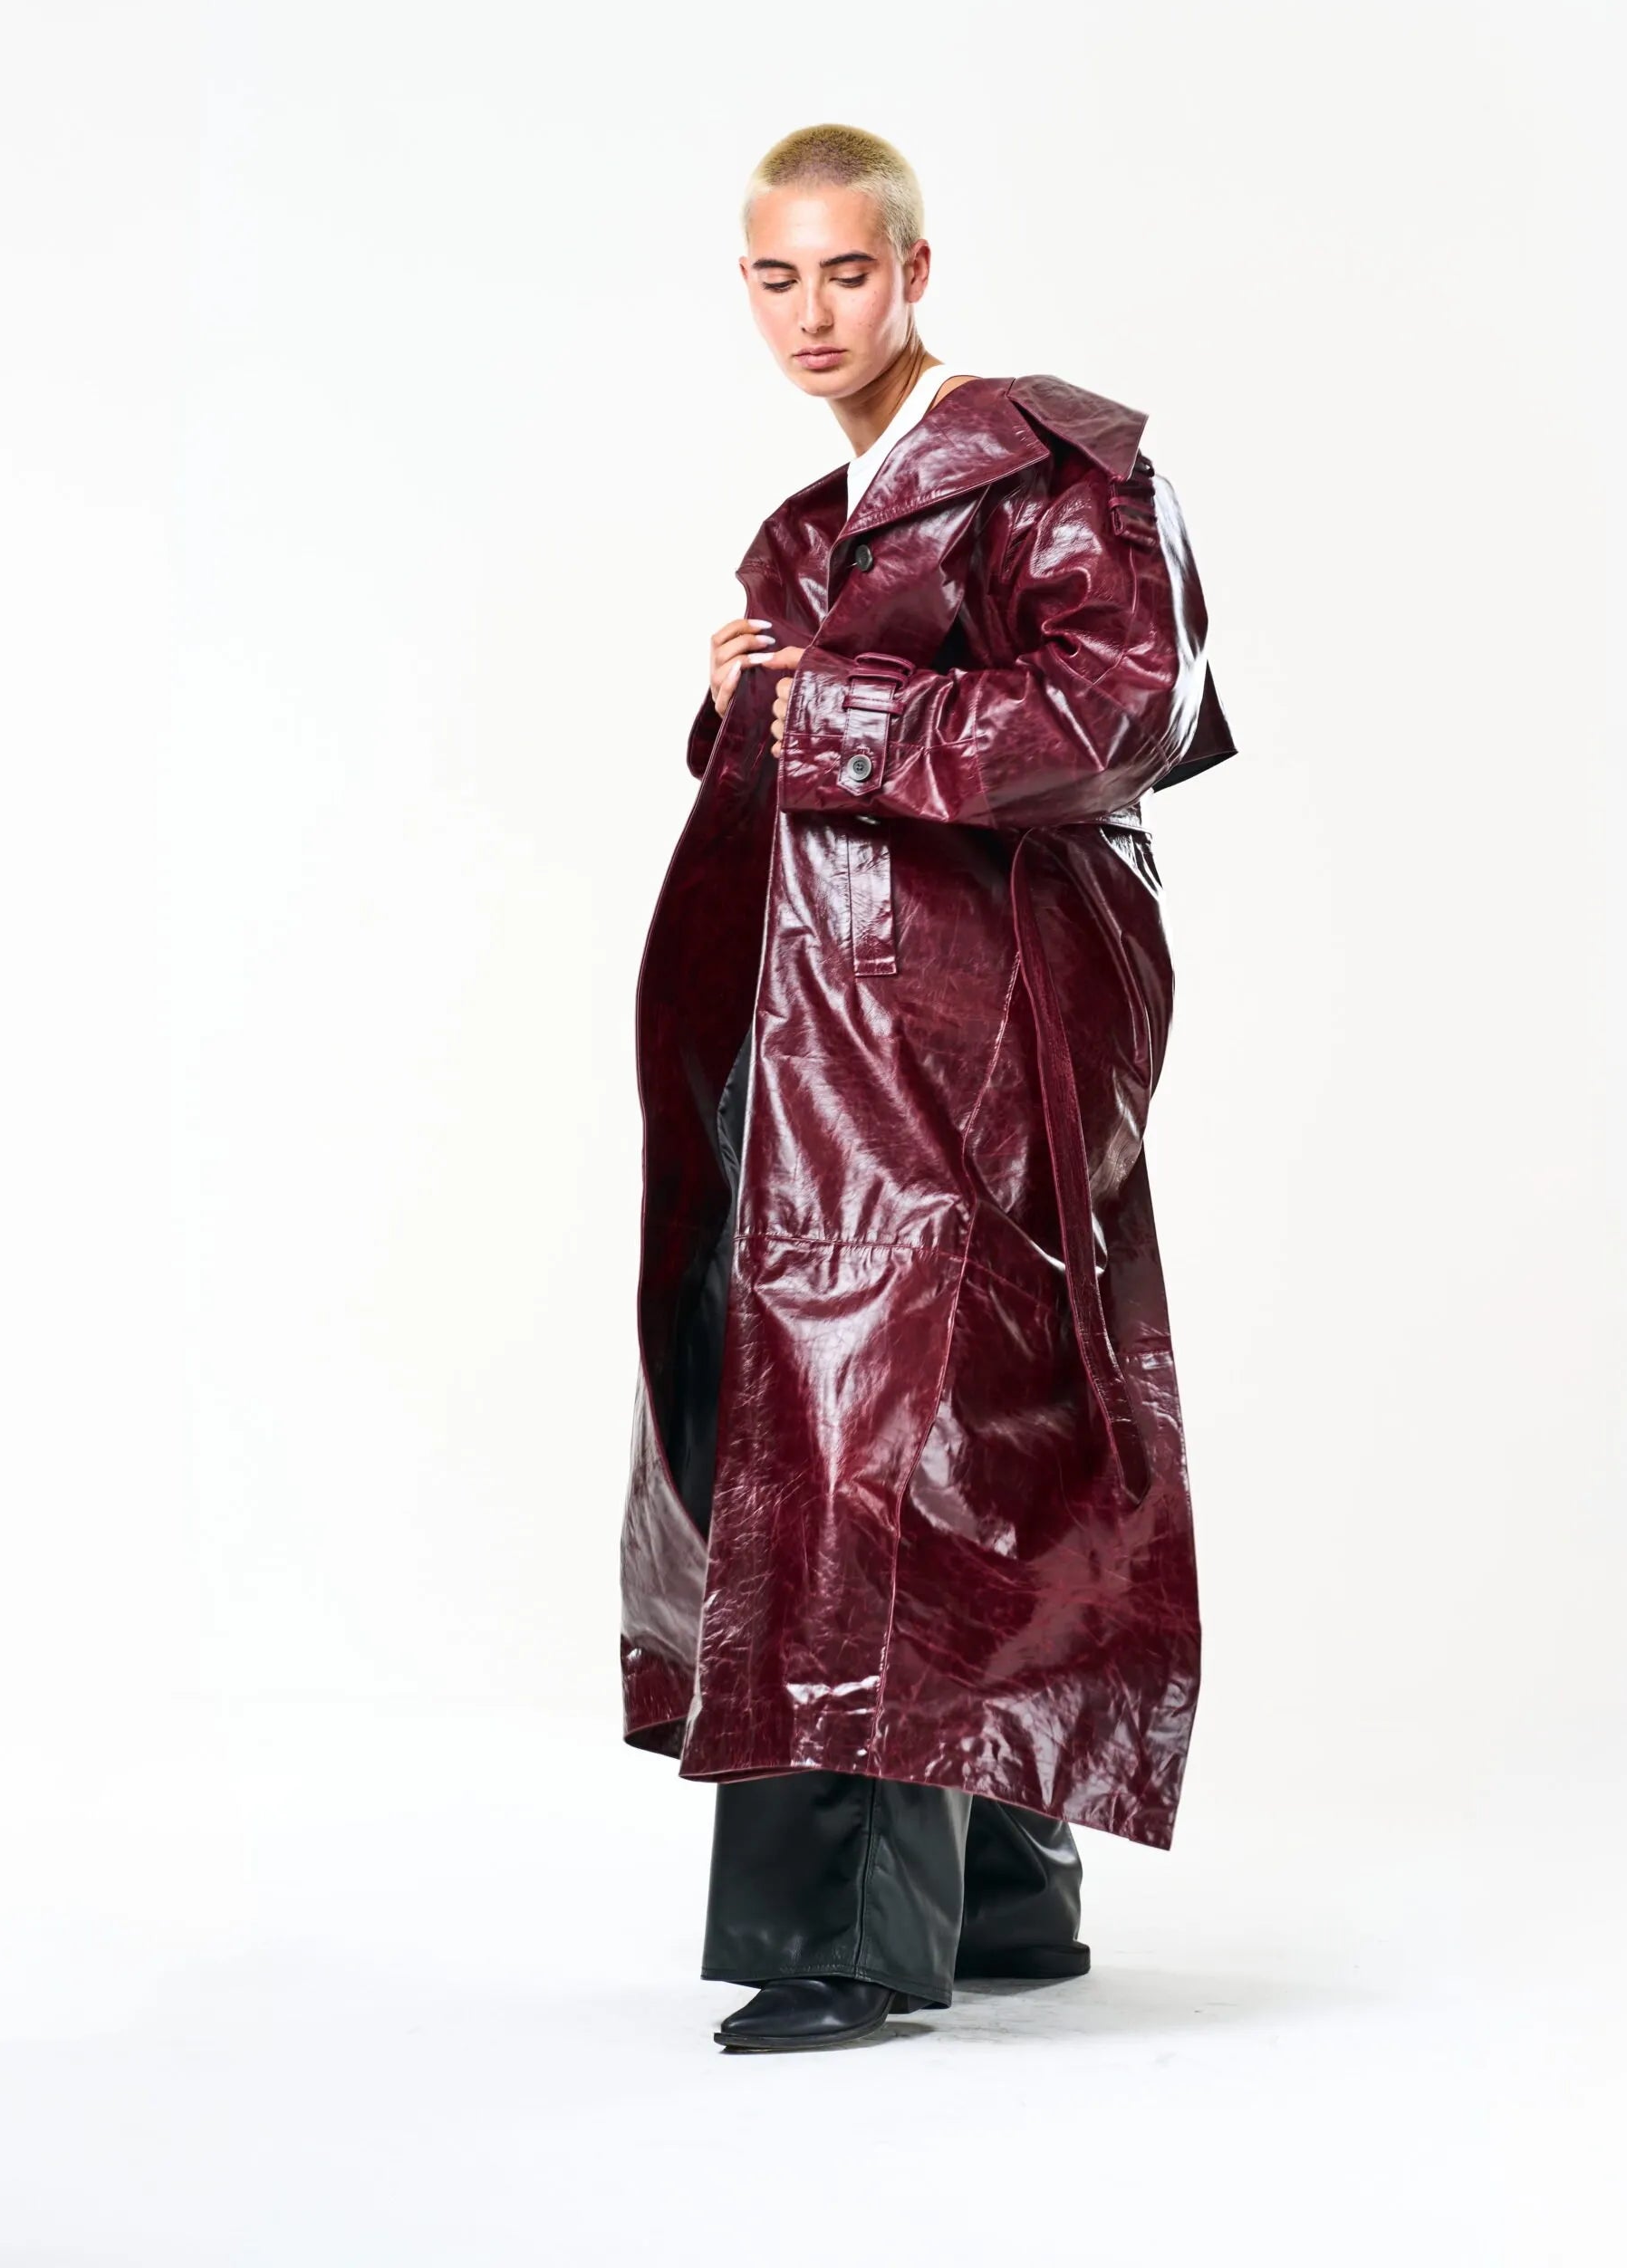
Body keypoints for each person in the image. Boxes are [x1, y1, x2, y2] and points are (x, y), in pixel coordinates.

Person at [619, 122, 1237, 2052]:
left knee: (866, 1424)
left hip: (977, 1031)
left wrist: (822, 705)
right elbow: (810, 771)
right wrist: (733, 709)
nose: (811, 312)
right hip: (827, 1034)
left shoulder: (1057, 466)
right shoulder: (814, 522)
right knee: (941, 1420)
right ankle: (1000, 1891)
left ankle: (842, 1939)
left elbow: (1121, 711)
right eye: (774, 276)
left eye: (845, 271)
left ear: (912, 268)